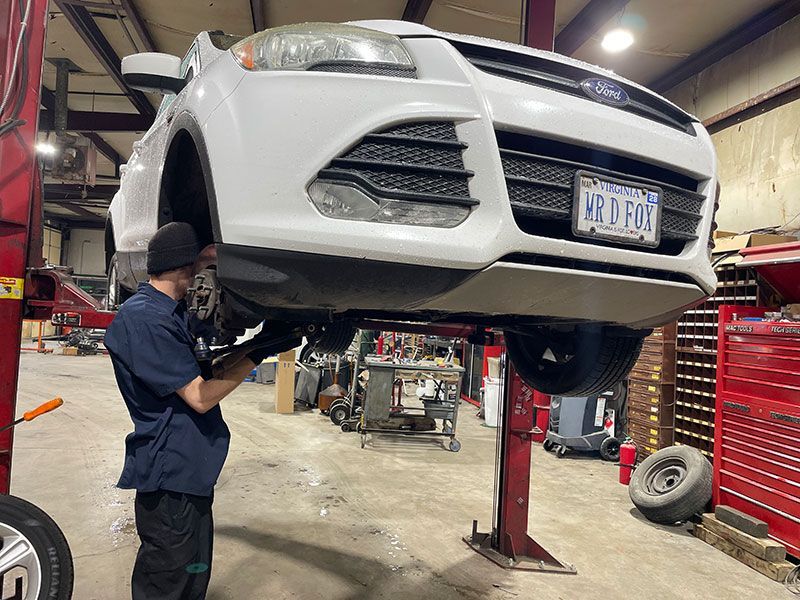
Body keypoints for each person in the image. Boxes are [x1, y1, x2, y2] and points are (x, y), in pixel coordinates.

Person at [105, 222, 270, 600]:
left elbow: (207, 367)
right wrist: (257, 355)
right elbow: (200, 396)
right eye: (204, 262)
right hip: (170, 481)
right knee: (167, 583)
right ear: (186, 266)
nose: (208, 270)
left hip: (189, 475)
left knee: (193, 576)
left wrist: (263, 341)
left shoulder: (170, 312)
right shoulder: (145, 318)